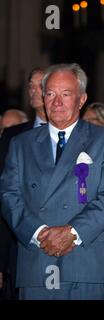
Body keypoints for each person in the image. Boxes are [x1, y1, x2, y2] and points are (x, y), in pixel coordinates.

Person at [0, 63, 104, 300]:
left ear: (81, 99)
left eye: (66, 94)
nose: (57, 102)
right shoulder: (21, 144)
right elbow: (8, 195)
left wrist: (72, 232)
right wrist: (39, 233)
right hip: (38, 258)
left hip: (88, 261)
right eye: (50, 94)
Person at [0, 68, 47, 300]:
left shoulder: (83, 136)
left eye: (39, 85)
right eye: (30, 85)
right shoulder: (13, 136)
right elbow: (5, 196)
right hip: (21, 244)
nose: (33, 90)